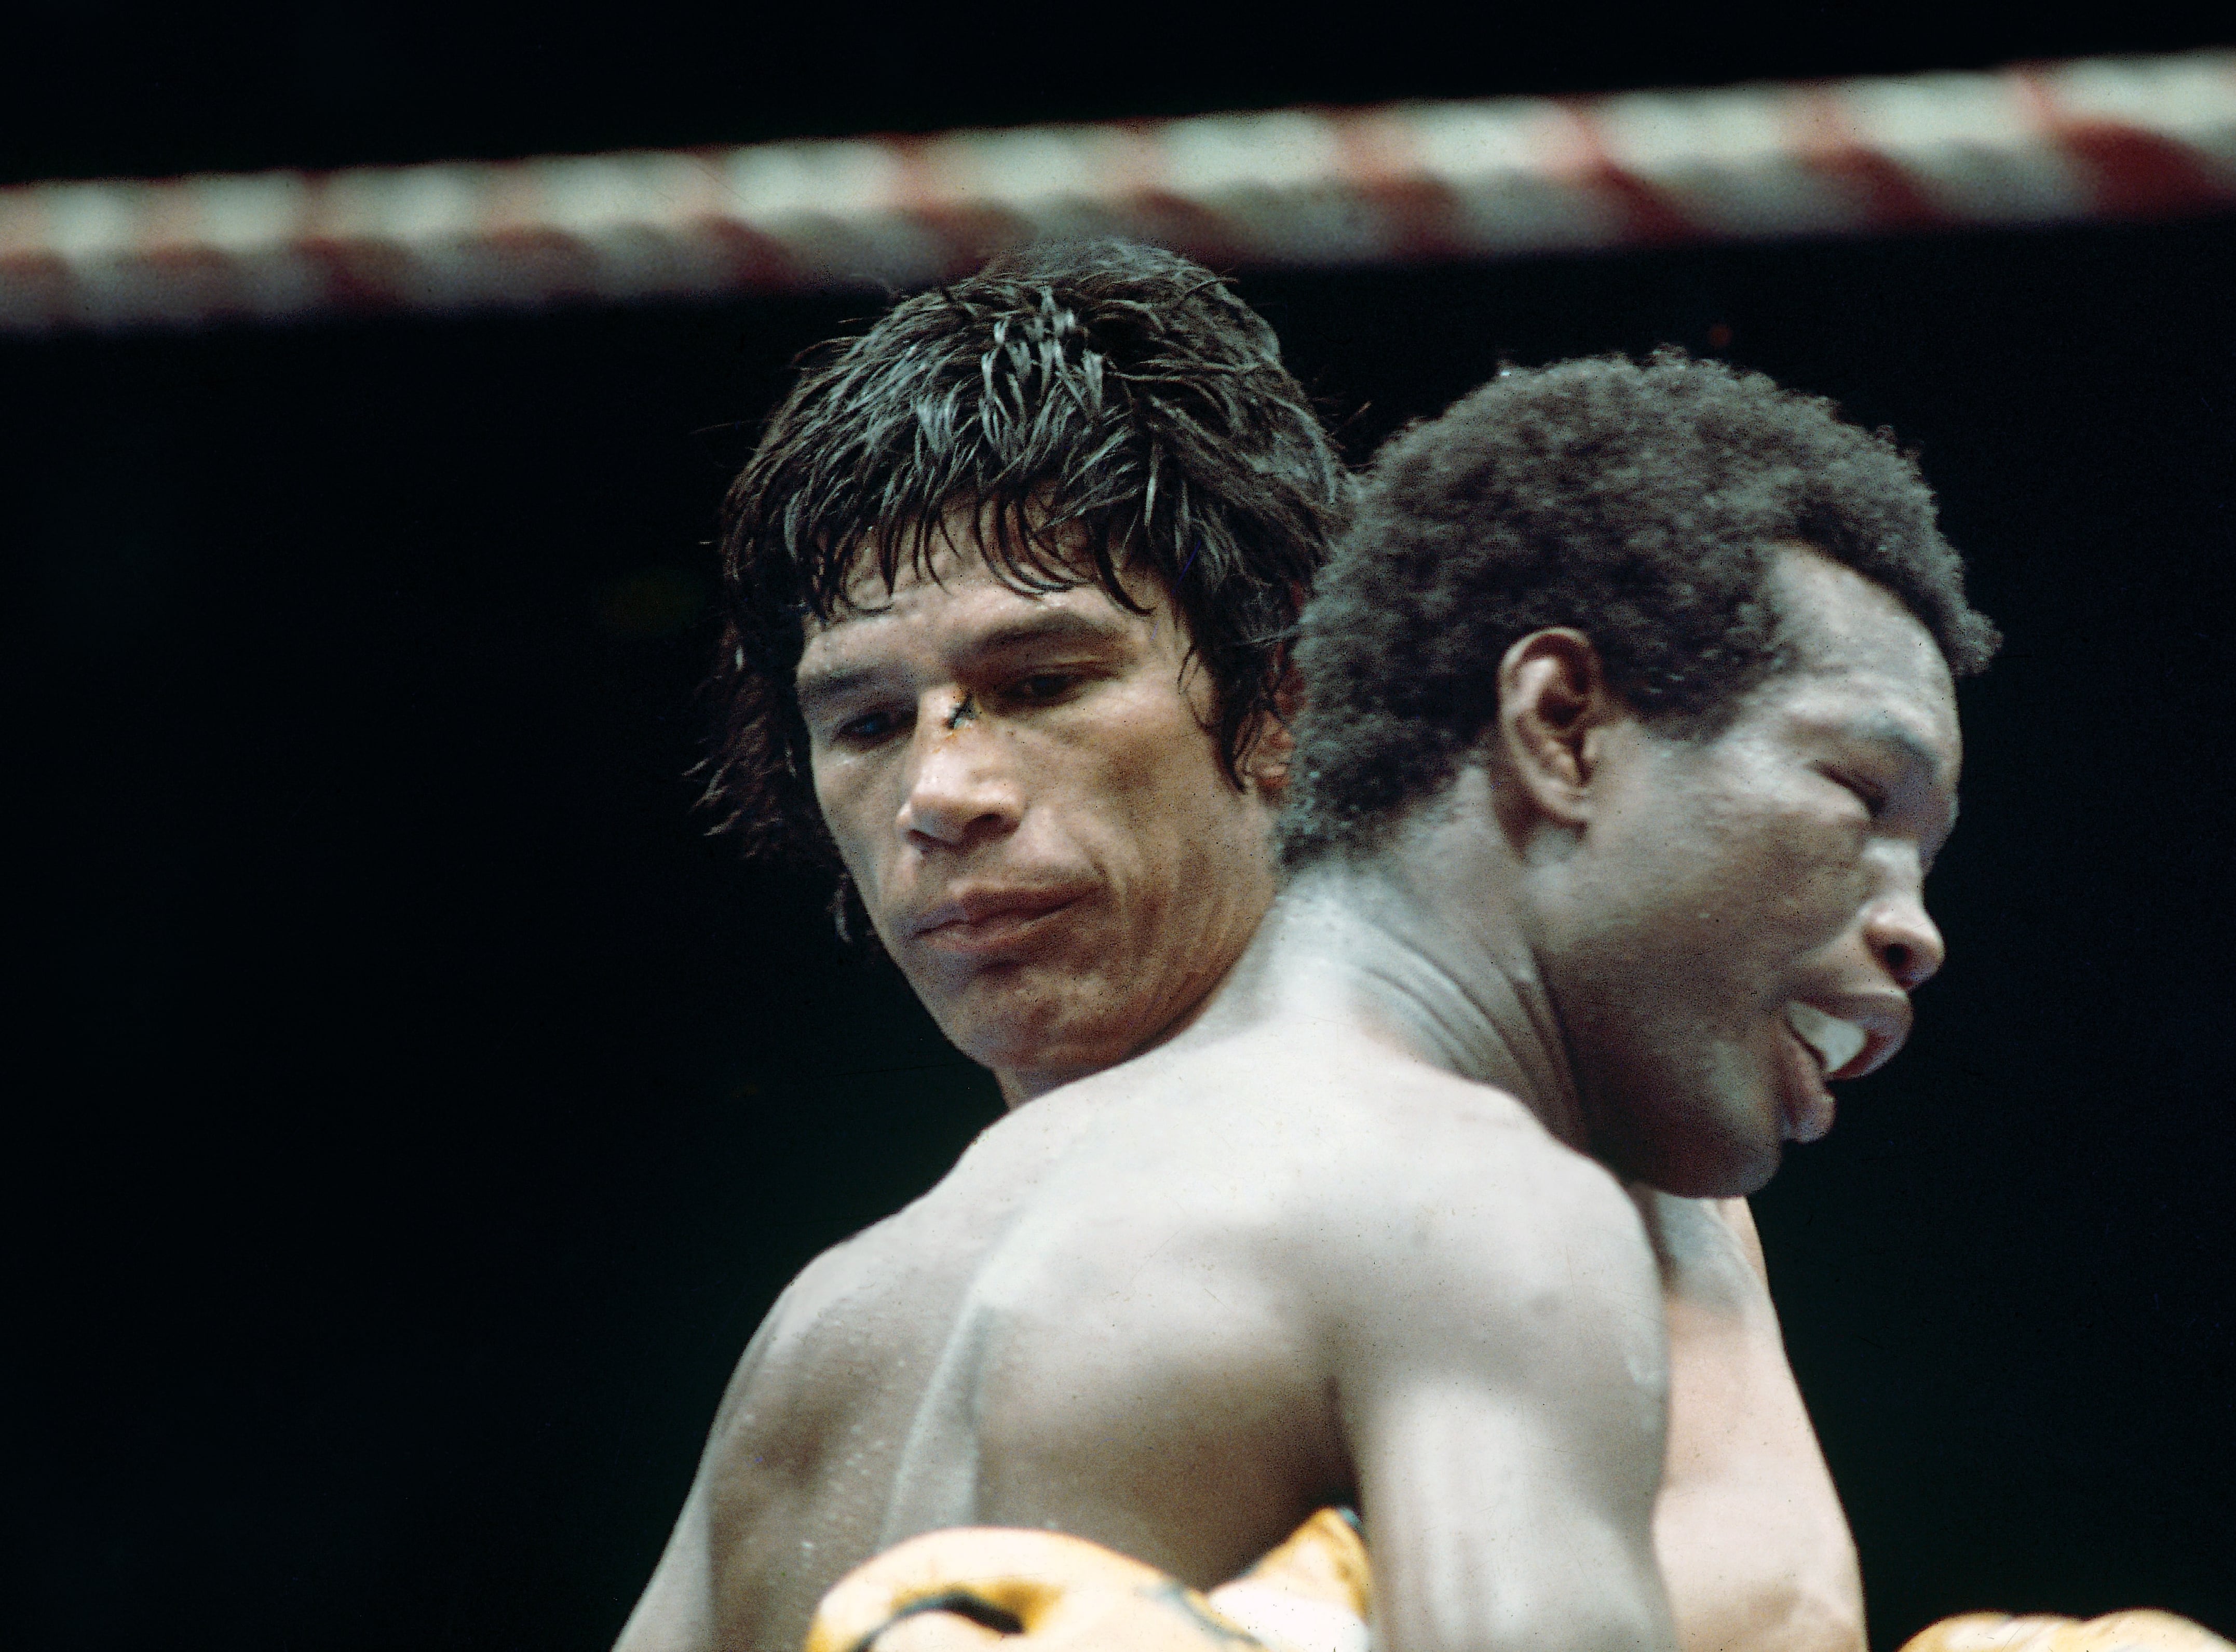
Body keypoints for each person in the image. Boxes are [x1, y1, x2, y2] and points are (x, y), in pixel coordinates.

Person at [616, 247, 1975, 1652]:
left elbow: (1770, 1612)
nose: (941, 794)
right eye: (867, 724)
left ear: (1285, 704)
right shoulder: (1486, 1179)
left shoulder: (817, 1339)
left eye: (1043, 685)